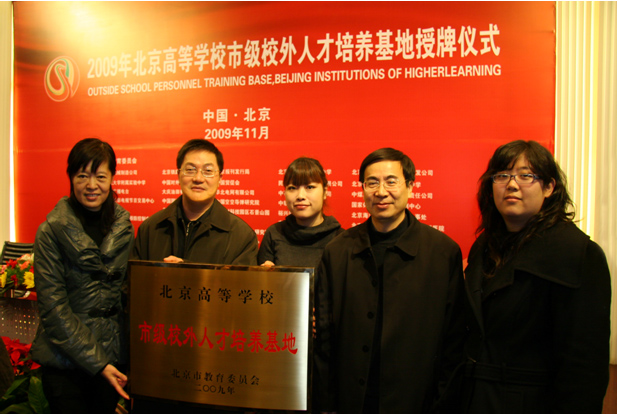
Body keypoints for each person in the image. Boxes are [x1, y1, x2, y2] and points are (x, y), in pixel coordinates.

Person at [462, 140, 611, 413]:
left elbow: (585, 366)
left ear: (549, 187)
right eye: (502, 175)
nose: (512, 184)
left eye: (525, 175)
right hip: (475, 399)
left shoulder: (578, 253)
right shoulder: (483, 247)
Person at [313, 147, 465, 413]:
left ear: (410, 186)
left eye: (391, 181)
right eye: (372, 183)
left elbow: (455, 341)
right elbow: (324, 339)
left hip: (416, 401)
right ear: (362, 189)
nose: (381, 192)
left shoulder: (442, 253)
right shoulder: (337, 252)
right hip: (351, 400)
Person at [31, 138, 133, 413]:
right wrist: (98, 363)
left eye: (100, 176)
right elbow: (54, 310)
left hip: (112, 361)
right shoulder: (50, 232)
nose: (91, 185)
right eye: (82, 176)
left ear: (112, 178)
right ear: (71, 177)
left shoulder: (124, 228)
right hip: (65, 365)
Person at [132, 139, 258, 265]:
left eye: (208, 171)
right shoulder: (150, 229)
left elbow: (239, 278)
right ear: (178, 175)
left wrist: (188, 271)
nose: (198, 178)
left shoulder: (242, 236)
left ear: (220, 178)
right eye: (190, 170)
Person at [258, 157, 343, 268]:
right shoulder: (274, 233)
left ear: (325, 192)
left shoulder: (340, 238)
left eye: (310, 187)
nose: (300, 196)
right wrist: (267, 275)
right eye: (292, 188)